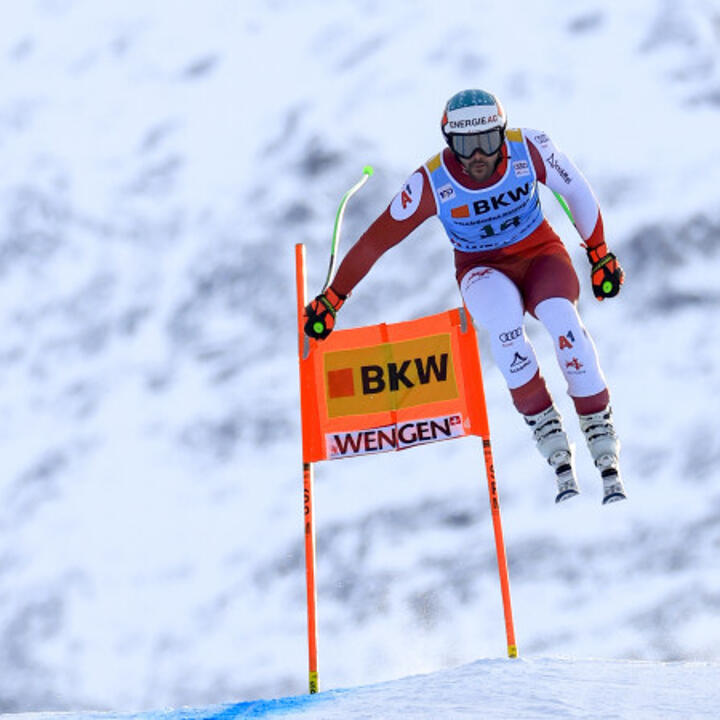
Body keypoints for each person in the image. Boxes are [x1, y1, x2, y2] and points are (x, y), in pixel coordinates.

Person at [304, 88, 626, 505]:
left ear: (502, 134)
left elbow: (577, 192)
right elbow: (376, 242)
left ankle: (599, 428)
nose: (477, 155)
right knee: (505, 327)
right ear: (448, 142)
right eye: (464, 145)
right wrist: (334, 299)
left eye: (488, 142)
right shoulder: (432, 181)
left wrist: (599, 252)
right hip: (482, 268)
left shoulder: (530, 148)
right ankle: (548, 431)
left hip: (541, 256)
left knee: (564, 322)